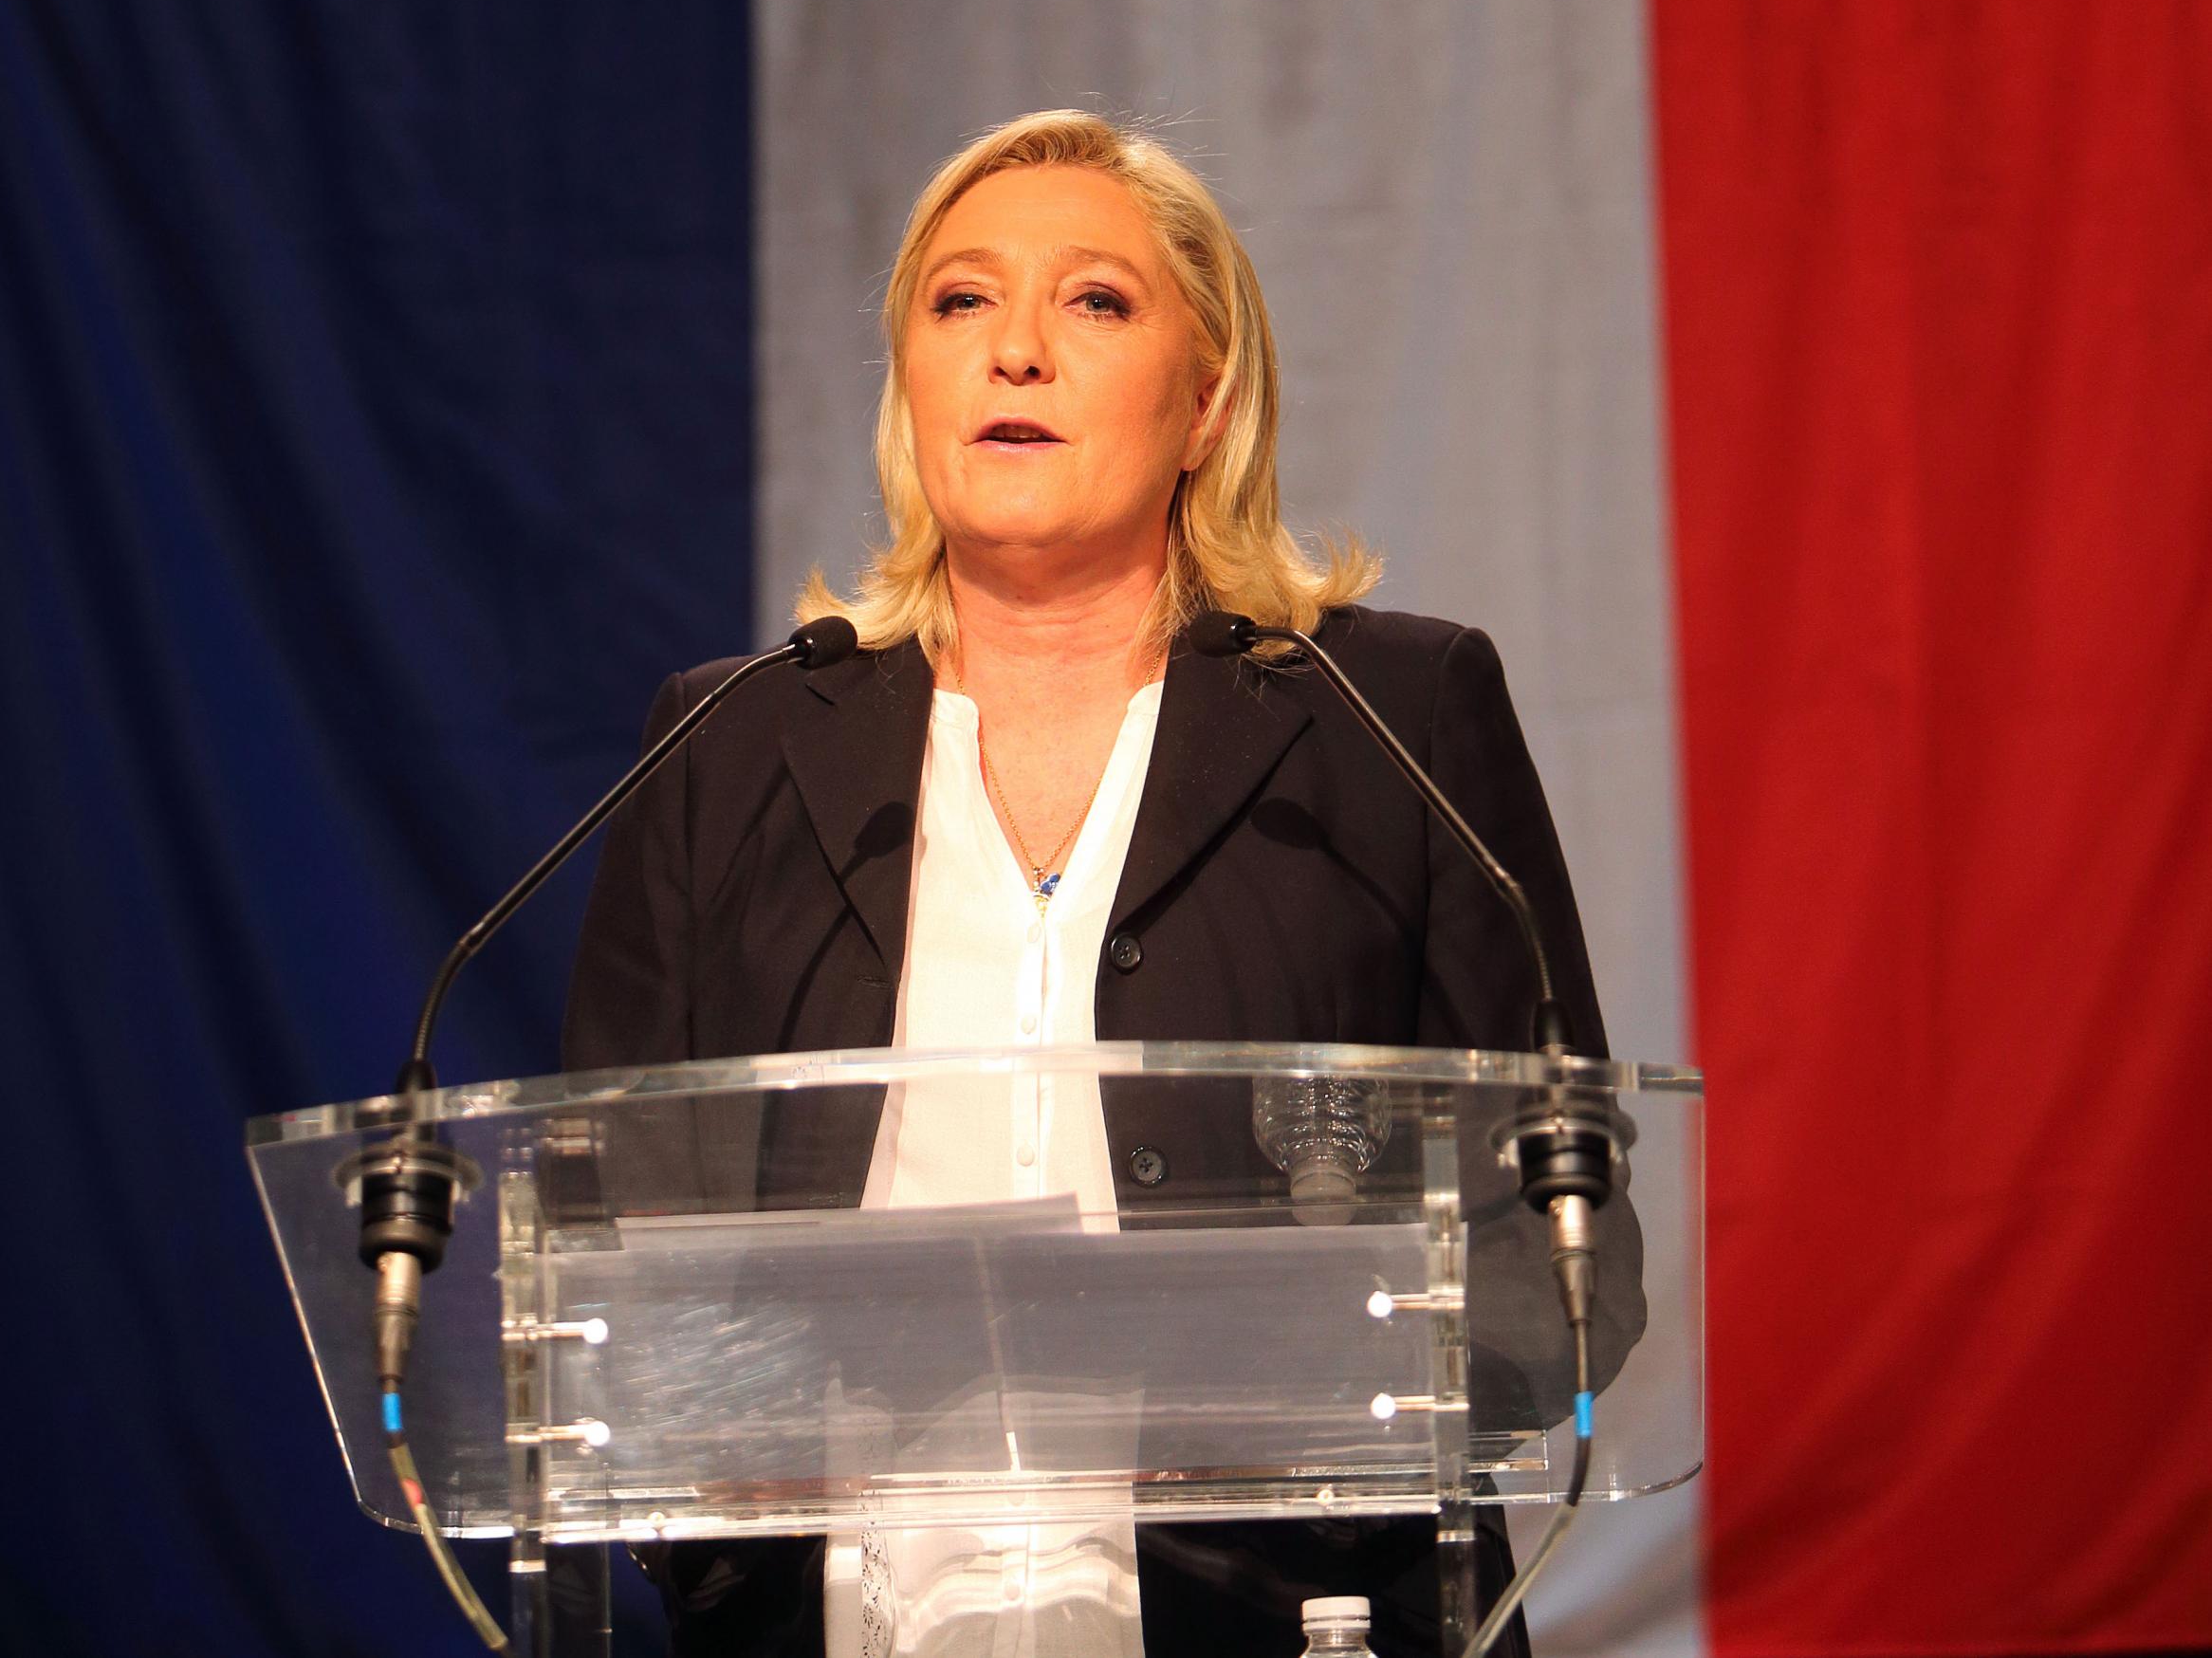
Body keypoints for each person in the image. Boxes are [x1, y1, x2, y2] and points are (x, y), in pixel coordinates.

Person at [564, 109, 1643, 1658]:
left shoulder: (1389, 725)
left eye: (1096, 301)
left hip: (1293, 1620)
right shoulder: (727, 745)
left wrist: (1261, 1379)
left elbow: (1563, 1243)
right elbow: (608, 1245)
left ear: (1206, 404)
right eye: (958, 302)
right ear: (910, 386)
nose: (1015, 350)